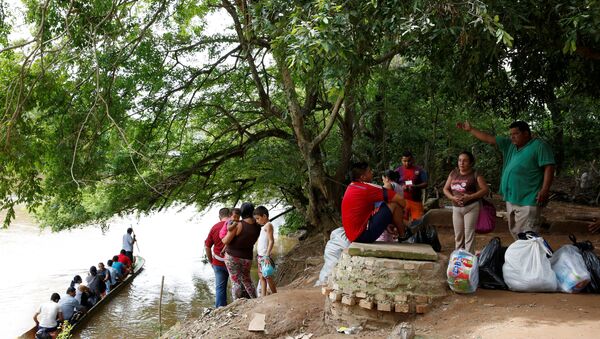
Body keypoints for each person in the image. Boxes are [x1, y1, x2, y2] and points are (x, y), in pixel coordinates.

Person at [457, 120, 555, 238]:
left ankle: (531, 256)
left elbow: (549, 167)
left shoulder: (539, 146)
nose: (512, 137)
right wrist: (471, 129)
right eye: (511, 134)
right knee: (516, 232)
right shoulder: (510, 145)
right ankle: (521, 256)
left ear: (526, 133)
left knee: (528, 235)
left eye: (516, 134)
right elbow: (489, 138)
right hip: (511, 198)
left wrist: (545, 189)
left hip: (529, 199)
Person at [341, 162, 406, 243]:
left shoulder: (351, 187)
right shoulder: (366, 188)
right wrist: (404, 213)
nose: (372, 172)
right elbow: (400, 200)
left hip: (353, 236)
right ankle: (403, 236)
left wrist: (386, 223)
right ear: (363, 177)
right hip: (362, 236)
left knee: (388, 205)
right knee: (394, 204)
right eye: (369, 171)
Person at [443, 151, 490, 254]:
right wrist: (452, 198)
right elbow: (445, 189)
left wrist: (470, 197)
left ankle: (468, 259)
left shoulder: (475, 174)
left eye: (465, 161)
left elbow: (485, 189)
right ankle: (458, 259)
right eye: (460, 160)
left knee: (469, 235)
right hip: (456, 208)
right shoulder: (453, 173)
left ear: (471, 163)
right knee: (458, 235)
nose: (461, 163)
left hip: (471, 207)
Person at [222, 202, 261, 300]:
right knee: (247, 280)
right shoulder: (258, 227)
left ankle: (237, 302)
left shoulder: (238, 225)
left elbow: (225, 240)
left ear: (242, 211)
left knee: (235, 281)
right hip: (247, 257)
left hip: (232, 257)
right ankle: (254, 299)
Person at [204, 207, 231, 308]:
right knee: (237, 285)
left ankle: (220, 309)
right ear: (230, 215)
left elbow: (207, 246)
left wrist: (211, 261)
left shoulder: (214, 227)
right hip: (232, 261)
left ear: (219, 217)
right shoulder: (235, 225)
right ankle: (239, 305)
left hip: (218, 262)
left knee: (220, 288)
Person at [394, 151, 428, 222]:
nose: (407, 163)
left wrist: (415, 186)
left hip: (416, 201)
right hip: (402, 202)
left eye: (409, 161)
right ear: (401, 160)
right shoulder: (397, 171)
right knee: (402, 222)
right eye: (404, 161)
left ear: (412, 159)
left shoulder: (419, 170)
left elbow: (425, 183)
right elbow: (392, 184)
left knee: (418, 223)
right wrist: (401, 187)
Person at [253, 206, 277, 297]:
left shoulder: (268, 225)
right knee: (261, 277)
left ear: (264, 216)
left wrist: (267, 255)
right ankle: (263, 297)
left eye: (258, 218)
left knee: (268, 276)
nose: (257, 221)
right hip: (260, 256)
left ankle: (275, 295)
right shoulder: (263, 227)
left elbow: (271, 241)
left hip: (265, 257)